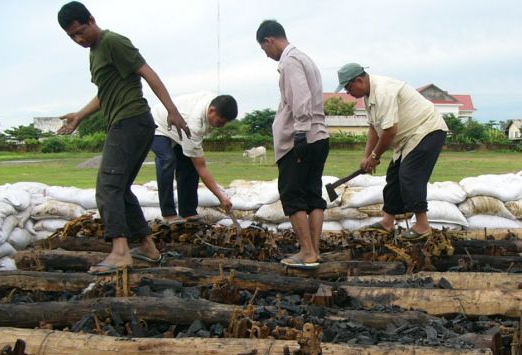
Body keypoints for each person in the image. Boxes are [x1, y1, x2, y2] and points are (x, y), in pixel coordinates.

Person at [56, 1, 190, 274]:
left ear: (92, 20)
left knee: (107, 187)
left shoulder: (113, 42)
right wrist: (80, 116)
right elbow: (105, 94)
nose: (78, 39)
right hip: (128, 123)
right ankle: (148, 248)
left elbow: (148, 72)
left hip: (130, 122)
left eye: (81, 31)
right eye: (72, 37)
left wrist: (172, 111)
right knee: (120, 188)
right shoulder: (94, 52)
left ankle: (120, 252)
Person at [335, 63, 448, 241]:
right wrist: (367, 156)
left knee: (409, 175)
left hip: (427, 130)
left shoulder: (383, 92)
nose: (348, 93)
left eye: (349, 88)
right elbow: (374, 128)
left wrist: (374, 157)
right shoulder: (369, 97)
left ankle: (422, 226)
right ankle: (388, 221)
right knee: (393, 176)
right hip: (409, 137)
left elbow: (390, 131)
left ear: (359, 80)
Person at [256, 20, 329, 269]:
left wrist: (299, 132)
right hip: (319, 136)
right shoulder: (305, 59)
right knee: (313, 194)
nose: (267, 56)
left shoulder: (289, 61)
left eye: (265, 50)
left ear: (269, 40)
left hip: (301, 139)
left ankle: (307, 253)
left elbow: (301, 97)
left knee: (292, 194)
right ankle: (313, 251)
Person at [151, 92, 236, 224]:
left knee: (188, 165)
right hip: (158, 124)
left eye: (225, 123)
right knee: (167, 160)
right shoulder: (194, 123)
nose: (222, 126)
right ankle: (168, 214)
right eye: (220, 121)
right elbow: (201, 166)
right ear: (212, 111)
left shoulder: (213, 103)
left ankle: (188, 212)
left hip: (178, 129)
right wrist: (221, 196)